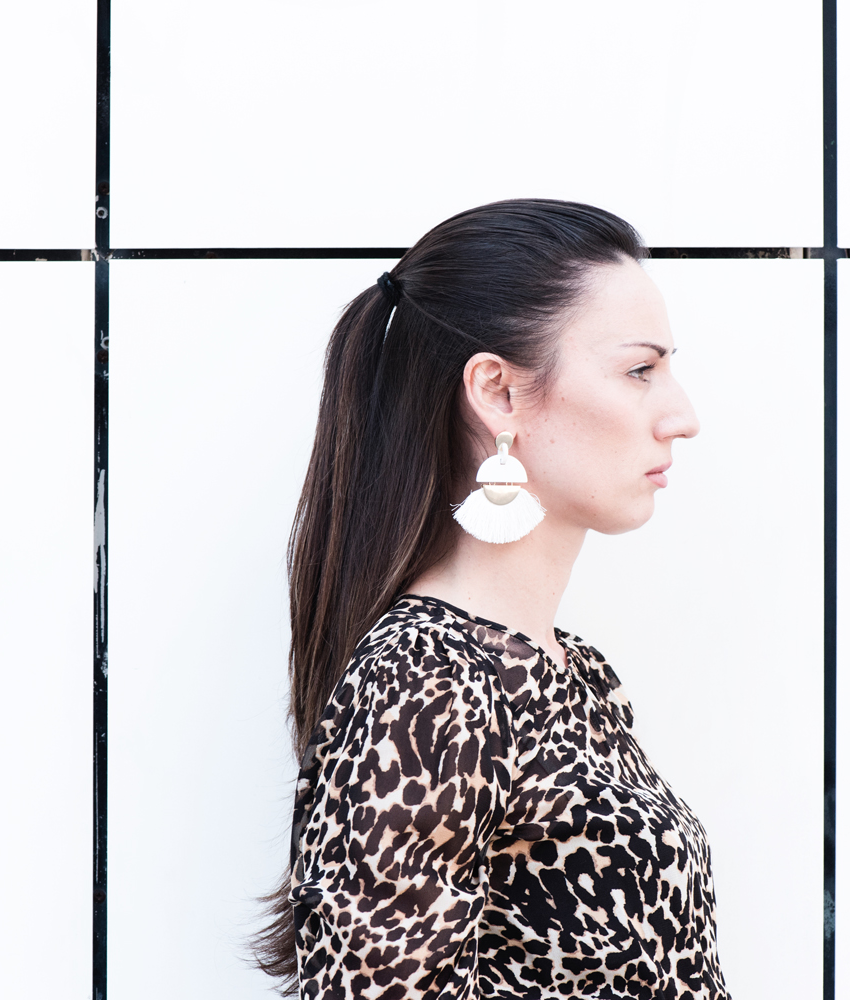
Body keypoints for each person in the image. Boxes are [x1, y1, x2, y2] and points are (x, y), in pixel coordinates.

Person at [254, 199, 727, 1000]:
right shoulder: (425, 681)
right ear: (499, 393)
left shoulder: (574, 673)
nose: (682, 417)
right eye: (639, 370)